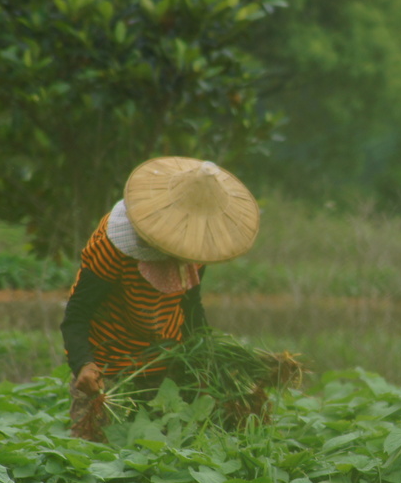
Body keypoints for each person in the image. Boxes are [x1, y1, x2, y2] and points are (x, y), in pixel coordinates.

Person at [60, 156, 260, 441]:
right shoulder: (113, 246)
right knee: (93, 452)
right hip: (109, 364)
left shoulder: (195, 247)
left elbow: (191, 305)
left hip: (167, 360)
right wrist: (84, 364)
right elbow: (77, 314)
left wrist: (204, 362)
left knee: (170, 449)